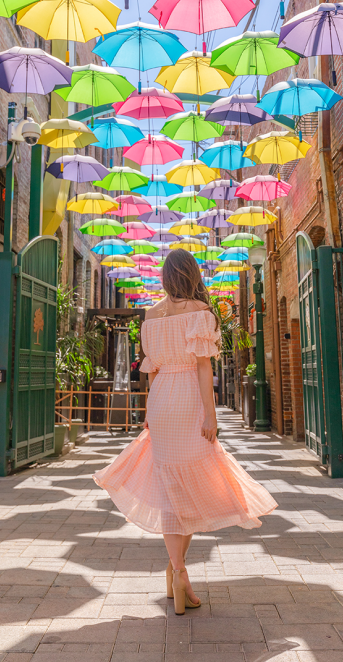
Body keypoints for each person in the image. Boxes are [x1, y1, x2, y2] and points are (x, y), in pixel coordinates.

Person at [94, 249, 277, 615]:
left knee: (169, 489)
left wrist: (148, 412)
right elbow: (202, 368)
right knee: (192, 487)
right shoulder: (199, 313)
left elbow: (152, 371)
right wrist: (210, 417)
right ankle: (178, 574)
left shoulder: (150, 315)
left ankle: (176, 570)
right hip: (189, 402)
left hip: (161, 403)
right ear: (192, 275)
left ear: (165, 277)